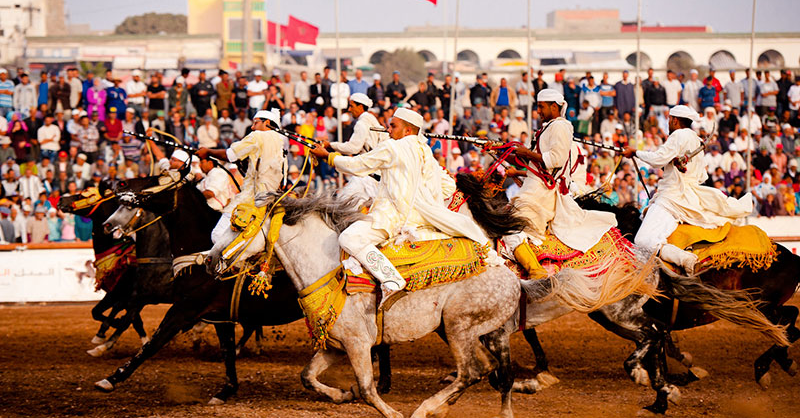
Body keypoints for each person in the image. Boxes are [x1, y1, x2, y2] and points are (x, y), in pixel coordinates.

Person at [311, 107, 501, 302]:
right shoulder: (425, 151)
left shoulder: (393, 147)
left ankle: (391, 280)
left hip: (391, 215)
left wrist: (328, 156)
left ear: (407, 130)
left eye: (393, 126)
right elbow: (447, 185)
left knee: (348, 238)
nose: (388, 129)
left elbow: (358, 165)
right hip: (420, 216)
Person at [622, 105, 753, 274]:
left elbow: (658, 159)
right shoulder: (696, 139)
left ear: (675, 120)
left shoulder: (678, 135)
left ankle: (686, 260)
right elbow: (701, 176)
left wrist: (635, 153)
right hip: (687, 197)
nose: (668, 122)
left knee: (642, 241)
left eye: (669, 119)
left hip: (671, 197)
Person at [501, 89, 616, 279]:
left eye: (541, 107)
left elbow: (556, 159)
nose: (538, 111)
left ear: (554, 107)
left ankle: (537, 276)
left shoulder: (561, 127)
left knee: (511, 231)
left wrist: (526, 153)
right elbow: (531, 161)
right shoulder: (550, 126)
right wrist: (499, 151)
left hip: (540, 193)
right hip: (533, 187)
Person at [197, 109, 285, 244]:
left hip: (252, 196)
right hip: (272, 196)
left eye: (255, 123)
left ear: (266, 122)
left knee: (218, 234)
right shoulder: (280, 141)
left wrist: (208, 151)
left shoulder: (258, 136)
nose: (252, 127)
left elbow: (230, 155)